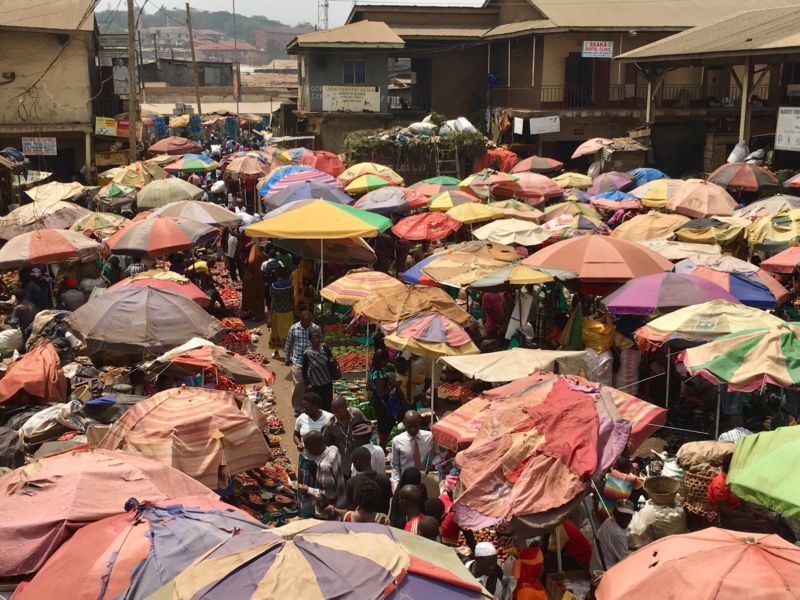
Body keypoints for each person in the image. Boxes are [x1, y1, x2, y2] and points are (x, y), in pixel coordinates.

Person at [297, 431, 346, 519]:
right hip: (341, 498)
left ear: (315, 447)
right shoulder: (334, 449)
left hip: (329, 511)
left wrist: (308, 490)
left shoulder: (324, 466)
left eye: (308, 448)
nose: (307, 451)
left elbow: (329, 494)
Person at [285, 311, 322, 415]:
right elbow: (289, 343)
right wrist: (287, 358)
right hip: (298, 361)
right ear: (300, 320)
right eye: (305, 322)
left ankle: (311, 407)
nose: (307, 325)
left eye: (309, 322)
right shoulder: (294, 328)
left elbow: (321, 342)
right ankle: (298, 408)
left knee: (311, 386)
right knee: (299, 386)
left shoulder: (316, 328)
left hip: (313, 362)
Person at [391, 410, 435, 490]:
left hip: (425, 481)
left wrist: (433, 464)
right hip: (406, 484)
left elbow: (437, 454)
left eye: (415, 426)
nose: (413, 429)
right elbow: (395, 466)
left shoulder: (429, 437)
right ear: (404, 423)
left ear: (419, 422)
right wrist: (396, 486)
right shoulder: (397, 441)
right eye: (409, 426)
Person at [324, 395, 368, 475]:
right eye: (334, 411)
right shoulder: (330, 425)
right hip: (343, 464)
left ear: (345, 407)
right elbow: (325, 444)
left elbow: (368, 427)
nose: (335, 413)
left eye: (338, 411)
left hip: (360, 459)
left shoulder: (356, 414)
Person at [589, 499, 634, 574]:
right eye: (622, 515)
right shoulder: (617, 533)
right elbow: (625, 560)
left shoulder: (608, 521)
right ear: (615, 513)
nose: (626, 519)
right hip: (605, 572)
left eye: (629, 516)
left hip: (595, 568)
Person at [345, 446, 392, 514]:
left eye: (354, 462)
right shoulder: (385, 480)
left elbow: (350, 511)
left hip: (359, 523)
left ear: (357, 462)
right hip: (380, 522)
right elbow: (386, 506)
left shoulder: (351, 483)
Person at [368, 349, 398, 449]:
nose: (387, 362)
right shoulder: (377, 374)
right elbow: (381, 393)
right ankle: (382, 447)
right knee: (384, 426)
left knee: (383, 425)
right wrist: (394, 386)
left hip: (377, 401)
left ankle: (382, 446)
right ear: (380, 361)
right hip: (381, 403)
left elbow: (368, 387)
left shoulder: (373, 370)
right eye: (385, 360)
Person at [301, 330, 334, 411]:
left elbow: (331, 358)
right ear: (310, 340)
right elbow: (304, 370)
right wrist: (307, 384)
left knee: (328, 402)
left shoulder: (325, 347)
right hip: (316, 383)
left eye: (319, 338)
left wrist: (331, 360)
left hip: (327, 381)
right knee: (318, 404)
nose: (317, 340)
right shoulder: (307, 353)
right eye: (315, 338)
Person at [268, 267, 293, 359]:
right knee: (288, 331)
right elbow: (291, 297)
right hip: (288, 311)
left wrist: (269, 316)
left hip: (278, 312)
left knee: (276, 331)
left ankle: (277, 352)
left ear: (277, 274)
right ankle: (289, 353)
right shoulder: (290, 283)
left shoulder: (274, 285)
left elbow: (273, 301)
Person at [240, 241, 266, 321]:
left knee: (256, 298)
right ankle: (250, 312)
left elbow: (258, 272)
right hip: (249, 283)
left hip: (255, 282)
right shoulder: (251, 255)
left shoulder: (257, 258)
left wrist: (259, 284)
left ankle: (259, 315)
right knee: (250, 298)